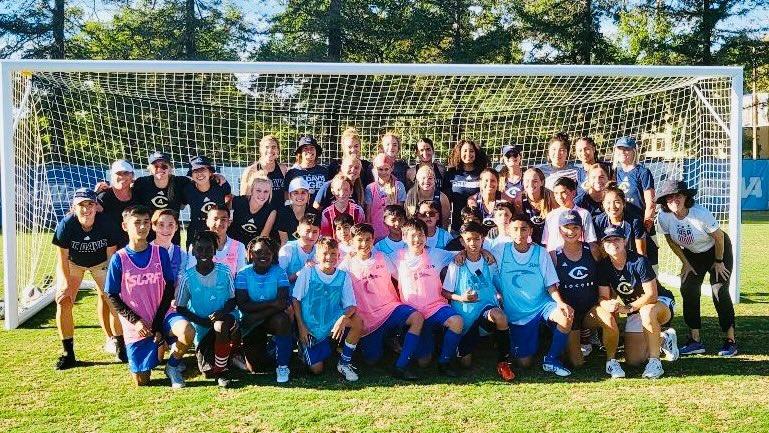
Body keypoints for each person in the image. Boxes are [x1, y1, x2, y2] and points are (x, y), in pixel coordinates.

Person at [656, 178, 737, 356]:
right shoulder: (663, 217)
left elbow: (719, 238)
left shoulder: (700, 213)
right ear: (664, 201)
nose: (673, 201)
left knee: (719, 290)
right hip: (693, 254)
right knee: (688, 289)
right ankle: (695, 340)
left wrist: (718, 261)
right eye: (669, 198)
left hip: (717, 251)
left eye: (677, 196)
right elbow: (670, 240)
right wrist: (685, 262)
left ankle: (730, 340)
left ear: (685, 197)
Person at [338, 223, 424, 380]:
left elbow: (402, 274)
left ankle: (401, 365)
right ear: (352, 240)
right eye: (360, 240)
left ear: (373, 241)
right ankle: (386, 340)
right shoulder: (346, 265)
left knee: (417, 317)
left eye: (368, 239)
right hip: (368, 319)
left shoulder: (382, 257)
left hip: (390, 309)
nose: (364, 244)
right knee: (371, 360)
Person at [491, 215, 572, 377]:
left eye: (524, 229)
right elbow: (478, 256)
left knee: (565, 315)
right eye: (515, 229)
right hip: (517, 314)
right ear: (508, 230)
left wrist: (561, 303)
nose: (519, 233)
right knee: (524, 363)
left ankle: (551, 359)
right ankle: (537, 340)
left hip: (542, 305)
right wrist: (461, 255)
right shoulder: (500, 250)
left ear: (530, 231)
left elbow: (550, 283)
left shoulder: (540, 252)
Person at [103, 205, 176, 386]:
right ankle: (157, 347)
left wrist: (159, 322)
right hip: (136, 324)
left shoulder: (160, 253)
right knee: (141, 381)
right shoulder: (119, 258)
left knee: (184, 332)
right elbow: (112, 295)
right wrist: (135, 321)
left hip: (159, 317)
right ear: (125, 226)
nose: (142, 227)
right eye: (137, 223)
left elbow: (169, 286)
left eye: (146, 222)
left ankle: (164, 345)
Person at [53, 188, 124, 370]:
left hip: (101, 263)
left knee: (114, 300)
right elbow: (62, 258)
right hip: (74, 264)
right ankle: (68, 353)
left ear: (96, 206)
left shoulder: (106, 223)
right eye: (81, 205)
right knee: (64, 301)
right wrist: (65, 284)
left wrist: (112, 285)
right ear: (74, 207)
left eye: (90, 204)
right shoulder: (67, 224)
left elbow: (111, 257)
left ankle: (121, 347)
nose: (86, 209)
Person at [597, 226, 679, 378]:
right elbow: (603, 297)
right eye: (608, 240)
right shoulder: (603, 266)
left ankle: (655, 363)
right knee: (633, 360)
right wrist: (606, 304)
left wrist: (627, 309)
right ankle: (663, 339)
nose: (613, 243)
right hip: (635, 307)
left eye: (617, 239)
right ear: (603, 244)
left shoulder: (639, 261)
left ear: (625, 241)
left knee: (647, 311)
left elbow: (652, 295)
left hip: (659, 303)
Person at [552, 210, 623, 377]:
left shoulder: (592, 249)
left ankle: (612, 361)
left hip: (591, 310)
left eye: (575, 227)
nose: (571, 232)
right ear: (559, 230)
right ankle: (577, 341)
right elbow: (551, 286)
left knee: (609, 319)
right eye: (566, 227)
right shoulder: (554, 255)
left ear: (582, 229)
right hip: (570, 315)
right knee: (576, 363)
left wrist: (609, 299)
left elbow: (606, 273)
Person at [442, 221, 514, 381]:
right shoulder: (457, 263)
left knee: (500, 316)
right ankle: (463, 347)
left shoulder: (489, 260)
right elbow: (445, 292)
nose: (473, 243)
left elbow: (498, 283)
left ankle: (504, 361)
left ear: (483, 239)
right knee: (465, 363)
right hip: (465, 319)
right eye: (468, 240)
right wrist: (462, 298)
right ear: (462, 241)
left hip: (486, 311)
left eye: (477, 239)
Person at [393, 218, 462, 377]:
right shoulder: (396, 257)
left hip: (435, 308)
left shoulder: (437, 254)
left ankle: (444, 362)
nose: (417, 240)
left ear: (426, 237)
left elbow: (464, 253)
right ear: (404, 237)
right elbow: (371, 258)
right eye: (412, 236)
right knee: (423, 362)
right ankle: (409, 341)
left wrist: (480, 252)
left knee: (457, 321)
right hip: (413, 313)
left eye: (421, 235)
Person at [292, 237, 363, 381]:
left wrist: (343, 318)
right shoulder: (308, 272)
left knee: (357, 321)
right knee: (316, 370)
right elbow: (296, 299)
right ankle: (307, 348)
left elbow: (351, 305)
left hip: (332, 322)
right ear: (317, 256)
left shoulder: (343, 276)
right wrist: (301, 327)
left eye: (333, 253)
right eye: (325, 253)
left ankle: (344, 363)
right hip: (311, 327)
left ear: (338, 255)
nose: (329, 257)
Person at [176, 231, 239, 388]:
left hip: (226, 319)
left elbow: (233, 299)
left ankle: (222, 371)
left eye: (208, 249)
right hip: (202, 326)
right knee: (206, 372)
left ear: (215, 251)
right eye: (200, 249)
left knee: (220, 326)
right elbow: (181, 308)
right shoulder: (187, 277)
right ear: (193, 251)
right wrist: (201, 321)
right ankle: (224, 358)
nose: (204, 253)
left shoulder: (225, 271)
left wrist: (222, 313)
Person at [235, 236, 293, 383]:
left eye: (268, 252)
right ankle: (272, 348)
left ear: (273, 254)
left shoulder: (279, 272)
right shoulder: (243, 273)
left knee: (282, 320)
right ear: (251, 254)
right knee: (255, 368)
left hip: (269, 318)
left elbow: (282, 302)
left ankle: (283, 365)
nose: (263, 255)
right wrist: (272, 304)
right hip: (250, 320)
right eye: (258, 252)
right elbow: (243, 304)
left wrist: (258, 314)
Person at [149, 208, 196, 388]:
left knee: (187, 331)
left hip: (169, 308)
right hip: (148, 311)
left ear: (177, 227)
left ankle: (173, 365)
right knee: (153, 361)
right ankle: (164, 341)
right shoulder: (146, 250)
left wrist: (178, 297)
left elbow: (182, 280)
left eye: (170, 225)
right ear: (153, 226)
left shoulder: (181, 253)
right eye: (161, 225)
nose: (166, 229)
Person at [132, 152, 189, 245]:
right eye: (156, 166)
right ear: (149, 168)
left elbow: (199, 181)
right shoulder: (142, 183)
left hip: (171, 235)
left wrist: (216, 176)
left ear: (170, 168)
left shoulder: (180, 183)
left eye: (164, 166)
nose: (160, 169)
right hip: (148, 236)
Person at [181, 155, 233, 249]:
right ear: (191, 175)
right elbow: (182, 205)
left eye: (203, 169)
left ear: (210, 172)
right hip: (196, 231)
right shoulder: (187, 190)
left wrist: (228, 214)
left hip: (218, 229)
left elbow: (229, 197)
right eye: (196, 171)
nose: (200, 174)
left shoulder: (220, 185)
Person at [187, 205, 247, 277]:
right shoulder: (196, 245)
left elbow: (241, 276)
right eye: (215, 219)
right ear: (207, 221)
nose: (219, 223)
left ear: (229, 222)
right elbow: (192, 274)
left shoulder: (239, 247)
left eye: (223, 219)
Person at [541, 177, 597, 253]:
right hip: (554, 258)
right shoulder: (550, 216)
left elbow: (590, 240)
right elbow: (546, 241)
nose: (559, 197)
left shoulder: (584, 214)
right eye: (556, 193)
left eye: (563, 193)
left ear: (573, 193)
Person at [444, 139, 488, 233]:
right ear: (459, 153)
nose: (468, 154)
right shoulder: (451, 174)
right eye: (465, 151)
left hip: (479, 227)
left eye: (471, 151)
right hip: (457, 226)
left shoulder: (483, 173)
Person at [594, 185, 647, 258]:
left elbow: (641, 252)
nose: (613, 206)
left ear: (623, 203)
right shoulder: (599, 221)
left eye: (617, 202)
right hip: (611, 261)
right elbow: (600, 250)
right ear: (603, 204)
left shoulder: (635, 221)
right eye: (608, 202)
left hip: (632, 260)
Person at [365, 153, 407, 241]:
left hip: (393, 234)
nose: (383, 172)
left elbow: (400, 213)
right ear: (375, 170)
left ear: (391, 169)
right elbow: (368, 215)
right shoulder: (370, 188)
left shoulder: (398, 186)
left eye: (386, 169)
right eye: (380, 169)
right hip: (376, 234)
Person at [239, 135, 288, 210]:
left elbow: (285, 194)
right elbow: (244, 198)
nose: (270, 150)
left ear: (278, 150)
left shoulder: (283, 168)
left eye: (273, 147)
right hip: (260, 215)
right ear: (260, 149)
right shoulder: (251, 170)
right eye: (267, 147)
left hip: (279, 213)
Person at [97, 159, 137, 249]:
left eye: (126, 173)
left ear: (132, 175)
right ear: (112, 176)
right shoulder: (103, 196)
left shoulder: (139, 193)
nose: (122, 176)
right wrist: (94, 193)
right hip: (109, 249)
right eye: (118, 173)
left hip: (135, 247)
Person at [229, 176, 277, 246]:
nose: (262, 195)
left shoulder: (271, 211)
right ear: (251, 190)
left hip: (252, 247)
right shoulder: (237, 201)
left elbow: (262, 239)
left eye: (266, 191)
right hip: (232, 243)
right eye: (258, 190)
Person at [278, 214, 321, 287]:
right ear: (298, 230)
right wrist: (301, 272)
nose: (311, 236)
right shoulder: (287, 250)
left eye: (315, 232)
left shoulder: (320, 251)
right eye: (307, 231)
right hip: (290, 296)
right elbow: (279, 281)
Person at [276, 177, 321, 245]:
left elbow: (316, 240)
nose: (300, 196)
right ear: (290, 196)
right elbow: (284, 241)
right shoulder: (283, 213)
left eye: (303, 193)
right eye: (296, 193)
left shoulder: (314, 213)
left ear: (308, 195)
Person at [404, 164, 451, 229]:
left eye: (430, 178)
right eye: (423, 178)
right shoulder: (411, 195)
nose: (426, 181)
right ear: (417, 180)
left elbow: (445, 222)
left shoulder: (442, 197)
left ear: (434, 180)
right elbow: (408, 219)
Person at [319, 174, 366, 239]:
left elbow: (362, 233)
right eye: (338, 190)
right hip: (333, 248)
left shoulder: (358, 211)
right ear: (332, 191)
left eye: (346, 190)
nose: (342, 193)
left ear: (351, 191)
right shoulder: (326, 213)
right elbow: (325, 237)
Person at [284, 135, 329, 202]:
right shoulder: (292, 173)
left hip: (320, 210)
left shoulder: (324, 171)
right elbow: (286, 194)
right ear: (300, 153)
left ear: (316, 151)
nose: (309, 151)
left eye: (312, 148)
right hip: (300, 210)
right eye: (305, 148)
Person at [515, 168, 553, 245]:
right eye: (527, 181)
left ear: (542, 182)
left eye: (535, 181)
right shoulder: (519, 200)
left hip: (548, 242)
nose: (530, 184)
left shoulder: (551, 197)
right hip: (528, 244)